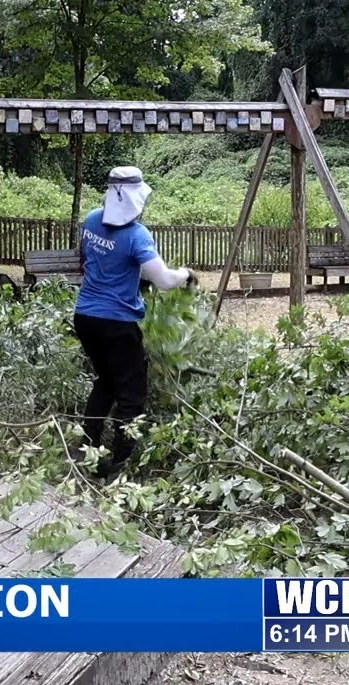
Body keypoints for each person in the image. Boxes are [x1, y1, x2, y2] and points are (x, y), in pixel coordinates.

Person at [73, 166, 198, 479]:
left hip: (86, 317)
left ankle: (89, 451)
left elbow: (95, 261)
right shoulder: (137, 234)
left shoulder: (90, 220)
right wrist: (185, 274)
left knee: (105, 381)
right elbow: (165, 280)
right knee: (131, 394)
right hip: (117, 323)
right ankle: (119, 464)